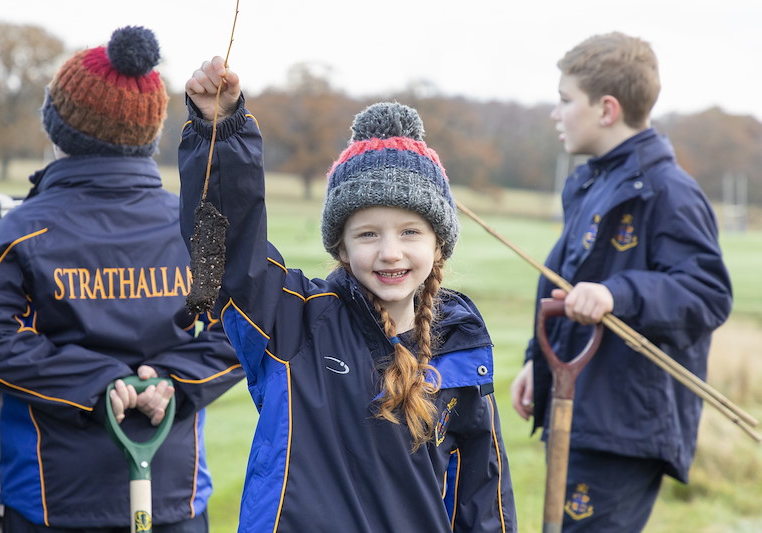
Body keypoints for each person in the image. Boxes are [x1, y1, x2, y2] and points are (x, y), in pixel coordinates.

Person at [178, 56, 517, 532]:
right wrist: (221, 131)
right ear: (339, 244)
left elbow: (482, 492)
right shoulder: (293, 322)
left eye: (410, 232)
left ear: (439, 242)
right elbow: (230, 248)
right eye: (367, 235)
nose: (390, 253)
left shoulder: (460, 344)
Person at [0, 27, 244, 532]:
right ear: (150, 136)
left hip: (53, 503)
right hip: (173, 500)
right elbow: (243, 327)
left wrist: (96, 385)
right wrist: (171, 382)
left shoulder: (25, 229)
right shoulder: (193, 223)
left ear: (56, 129)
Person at [510, 32, 732, 531]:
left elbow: (707, 293)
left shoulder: (668, 192)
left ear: (607, 109)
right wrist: (536, 361)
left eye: (566, 101)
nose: (556, 113)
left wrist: (618, 294)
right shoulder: (589, 183)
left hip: (623, 424)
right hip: (578, 407)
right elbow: (564, 286)